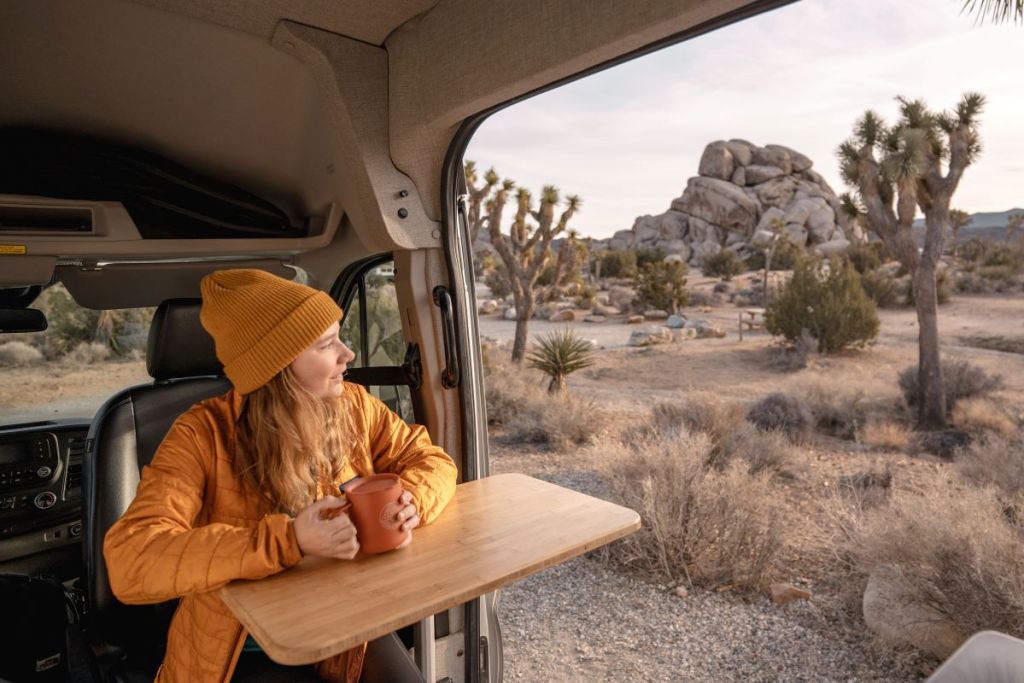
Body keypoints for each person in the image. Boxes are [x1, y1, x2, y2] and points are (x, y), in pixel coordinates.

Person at [103, 269, 458, 682]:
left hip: (344, 623)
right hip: (242, 649)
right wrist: (289, 540)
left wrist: (412, 499)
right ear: (277, 365)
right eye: (327, 344)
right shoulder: (200, 434)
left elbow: (432, 459)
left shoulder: (355, 406)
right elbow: (131, 561)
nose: (348, 354)